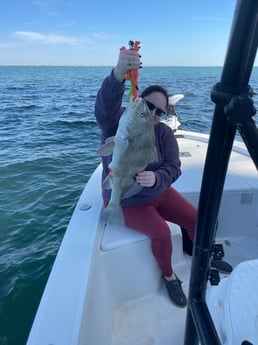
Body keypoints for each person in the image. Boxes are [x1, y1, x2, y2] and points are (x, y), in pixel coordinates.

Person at [95, 48, 197, 308]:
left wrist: (157, 178)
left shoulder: (163, 133)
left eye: (160, 112)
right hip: (128, 200)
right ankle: (169, 276)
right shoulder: (119, 123)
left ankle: (194, 251)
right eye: (149, 106)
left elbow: (174, 167)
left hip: (157, 192)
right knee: (162, 234)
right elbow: (105, 108)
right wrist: (118, 75)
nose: (153, 114)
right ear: (138, 102)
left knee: (198, 219)